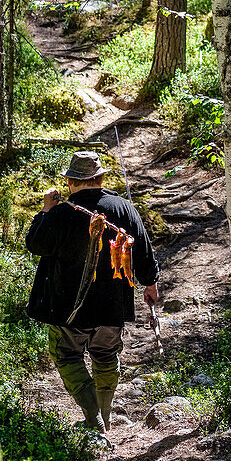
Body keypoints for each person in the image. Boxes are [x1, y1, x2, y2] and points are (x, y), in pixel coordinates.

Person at [25, 150, 159, 435]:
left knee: (66, 355)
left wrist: (46, 210)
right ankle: (104, 418)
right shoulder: (124, 208)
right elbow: (143, 250)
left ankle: (93, 418)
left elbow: (35, 243)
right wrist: (150, 283)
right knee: (106, 355)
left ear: (71, 182)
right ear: (99, 178)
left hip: (67, 306)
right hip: (113, 305)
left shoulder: (61, 212)